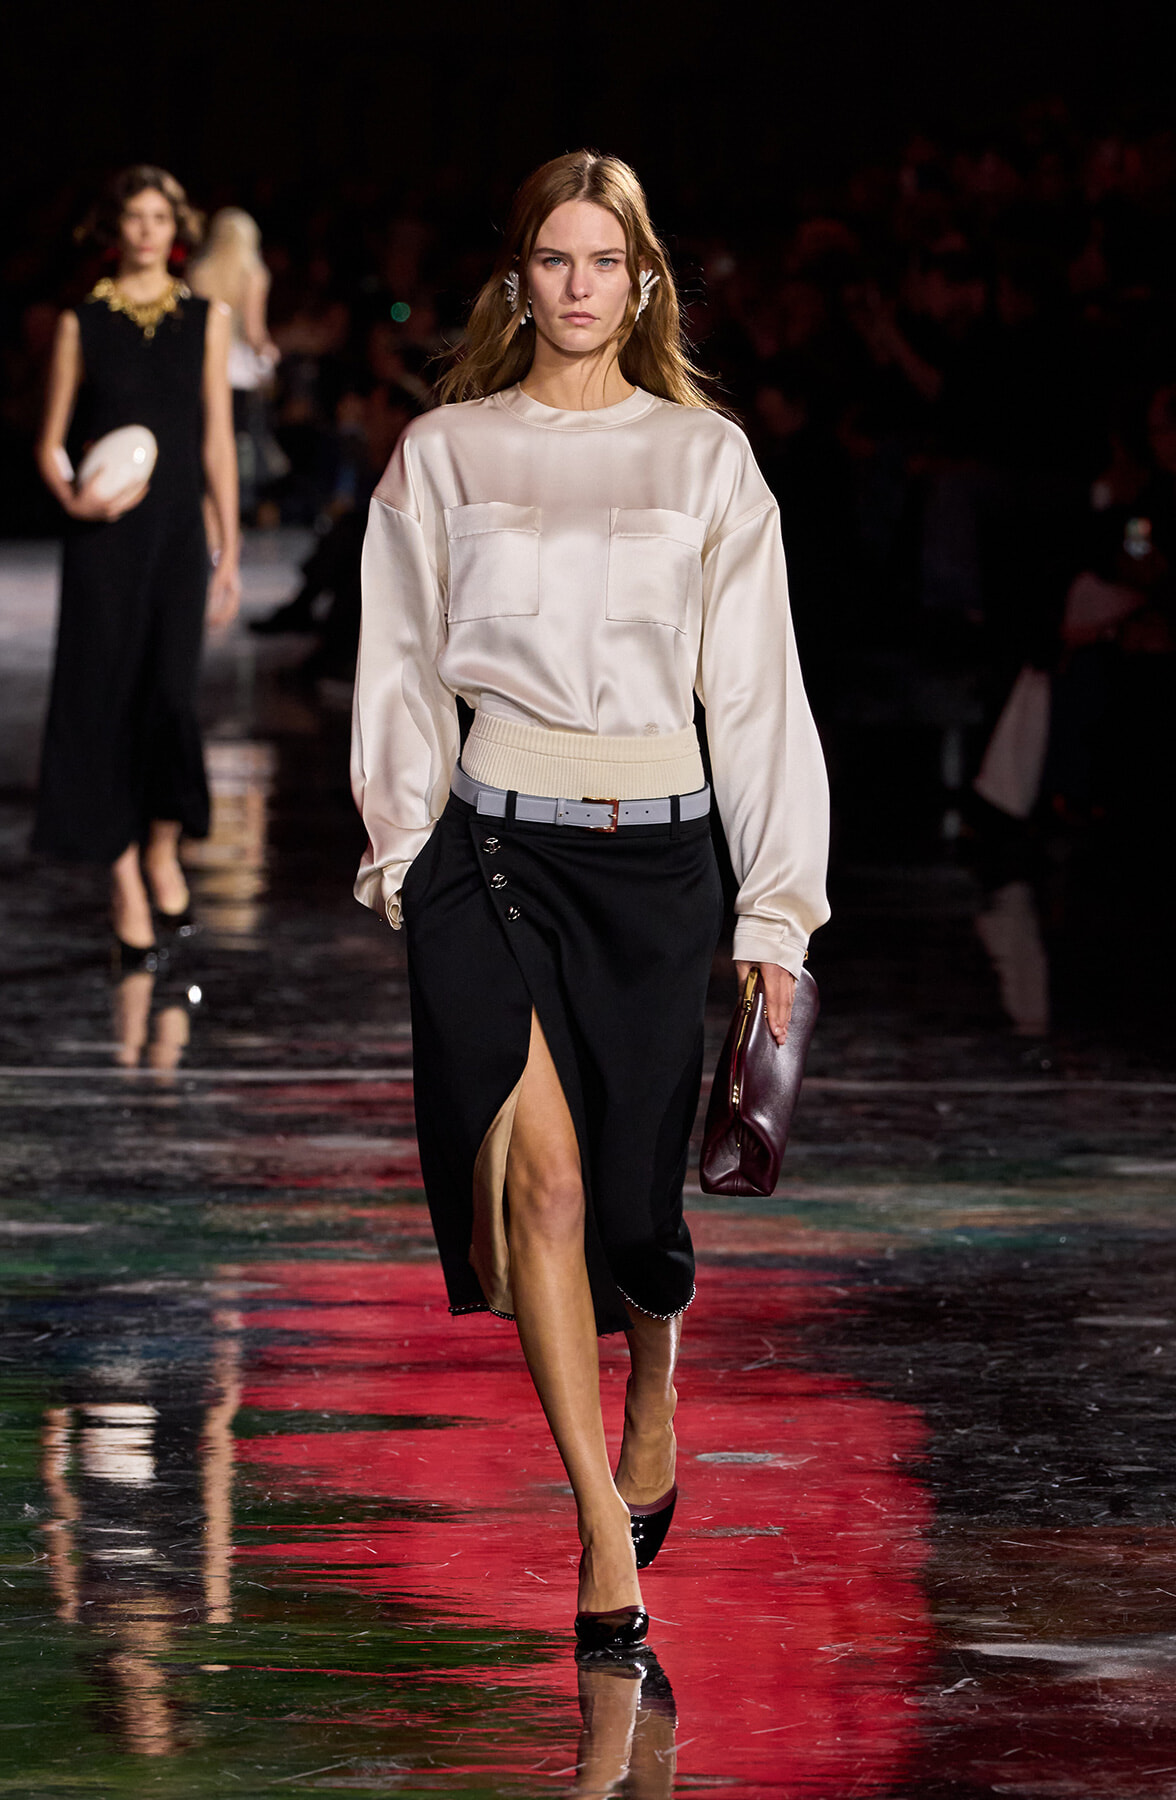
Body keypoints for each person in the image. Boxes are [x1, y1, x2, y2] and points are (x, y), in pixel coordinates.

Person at [350, 151, 829, 1649]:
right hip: (489, 856)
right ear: (518, 281)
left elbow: (756, 697)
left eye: (601, 261)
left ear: (641, 284)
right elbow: (397, 666)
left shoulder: (707, 459)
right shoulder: (445, 452)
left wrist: (776, 918)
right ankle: (596, 1536)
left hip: (658, 860)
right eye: (551, 259)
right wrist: (399, 847)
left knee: (636, 1214)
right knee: (542, 1188)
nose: (574, 284)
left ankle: (658, 1371)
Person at [33, 166, 239, 967]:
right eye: (135, 217)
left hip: (178, 538)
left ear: (175, 227)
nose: (148, 230)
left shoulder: (204, 319)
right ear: (114, 229)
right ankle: (124, 878)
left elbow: (215, 435)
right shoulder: (81, 322)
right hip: (104, 542)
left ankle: (161, 845)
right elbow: (51, 438)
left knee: (170, 701)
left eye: (160, 217)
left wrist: (228, 547)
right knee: (99, 703)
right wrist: (72, 500)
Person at [190, 208, 284, 522]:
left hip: (202, 365)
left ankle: (209, 517)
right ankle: (230, 517)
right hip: (238, 369)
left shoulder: (198, 271)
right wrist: (270, 353)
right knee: (233, 444)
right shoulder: (253, 273)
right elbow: (254, 330)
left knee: (208, 439)